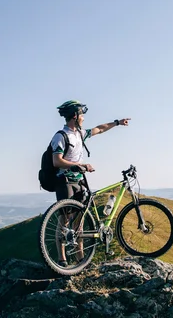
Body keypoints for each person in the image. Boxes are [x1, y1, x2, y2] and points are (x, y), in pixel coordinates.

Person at [50, 100, 130, 267]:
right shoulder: (61, 136)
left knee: (79, 219)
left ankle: (80, 259)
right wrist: (79, 165)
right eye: (82, 115)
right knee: (64, 221)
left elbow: (99, 129)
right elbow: (57, 161)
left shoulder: (80, 134)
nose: (84, 118)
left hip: (80, 181)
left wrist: (117, 123)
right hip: (65, 181)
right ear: (75, 116)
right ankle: (62, 259)